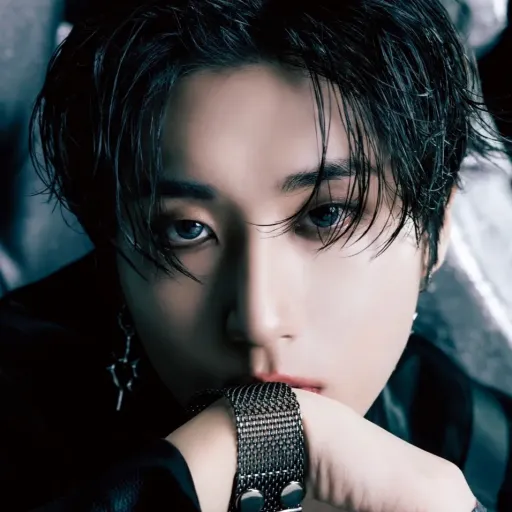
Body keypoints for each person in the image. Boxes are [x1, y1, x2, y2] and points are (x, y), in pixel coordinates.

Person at [0, 0, 510, 510]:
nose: (258, 320)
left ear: (435, 231)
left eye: (327, 215)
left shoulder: (478, 442)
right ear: (112, 241)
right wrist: (227, 450)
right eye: (187, 229)